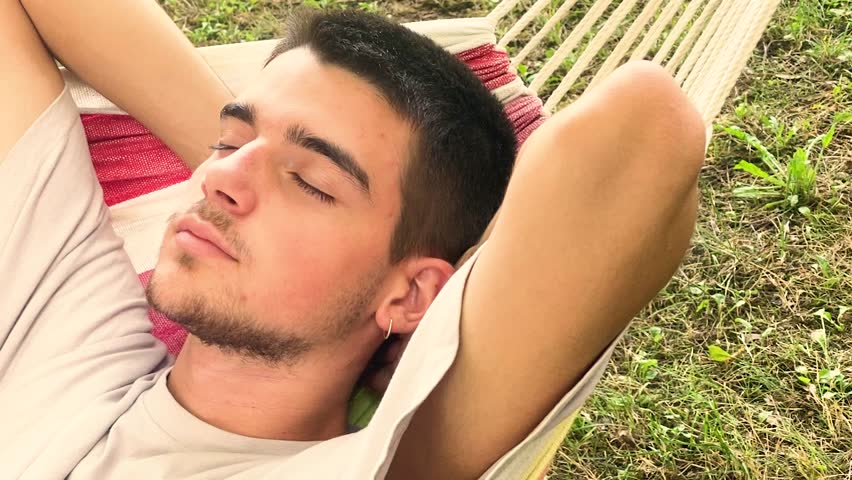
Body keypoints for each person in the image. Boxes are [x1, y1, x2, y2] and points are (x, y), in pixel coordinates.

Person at [0, 0, 705, 478]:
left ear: (413, 294)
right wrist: (256, 169)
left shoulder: (387, 461)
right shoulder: (69, 339)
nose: (216, 178)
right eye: (229, 140)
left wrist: (435, 335)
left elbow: (645, 124)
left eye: (312, 183)